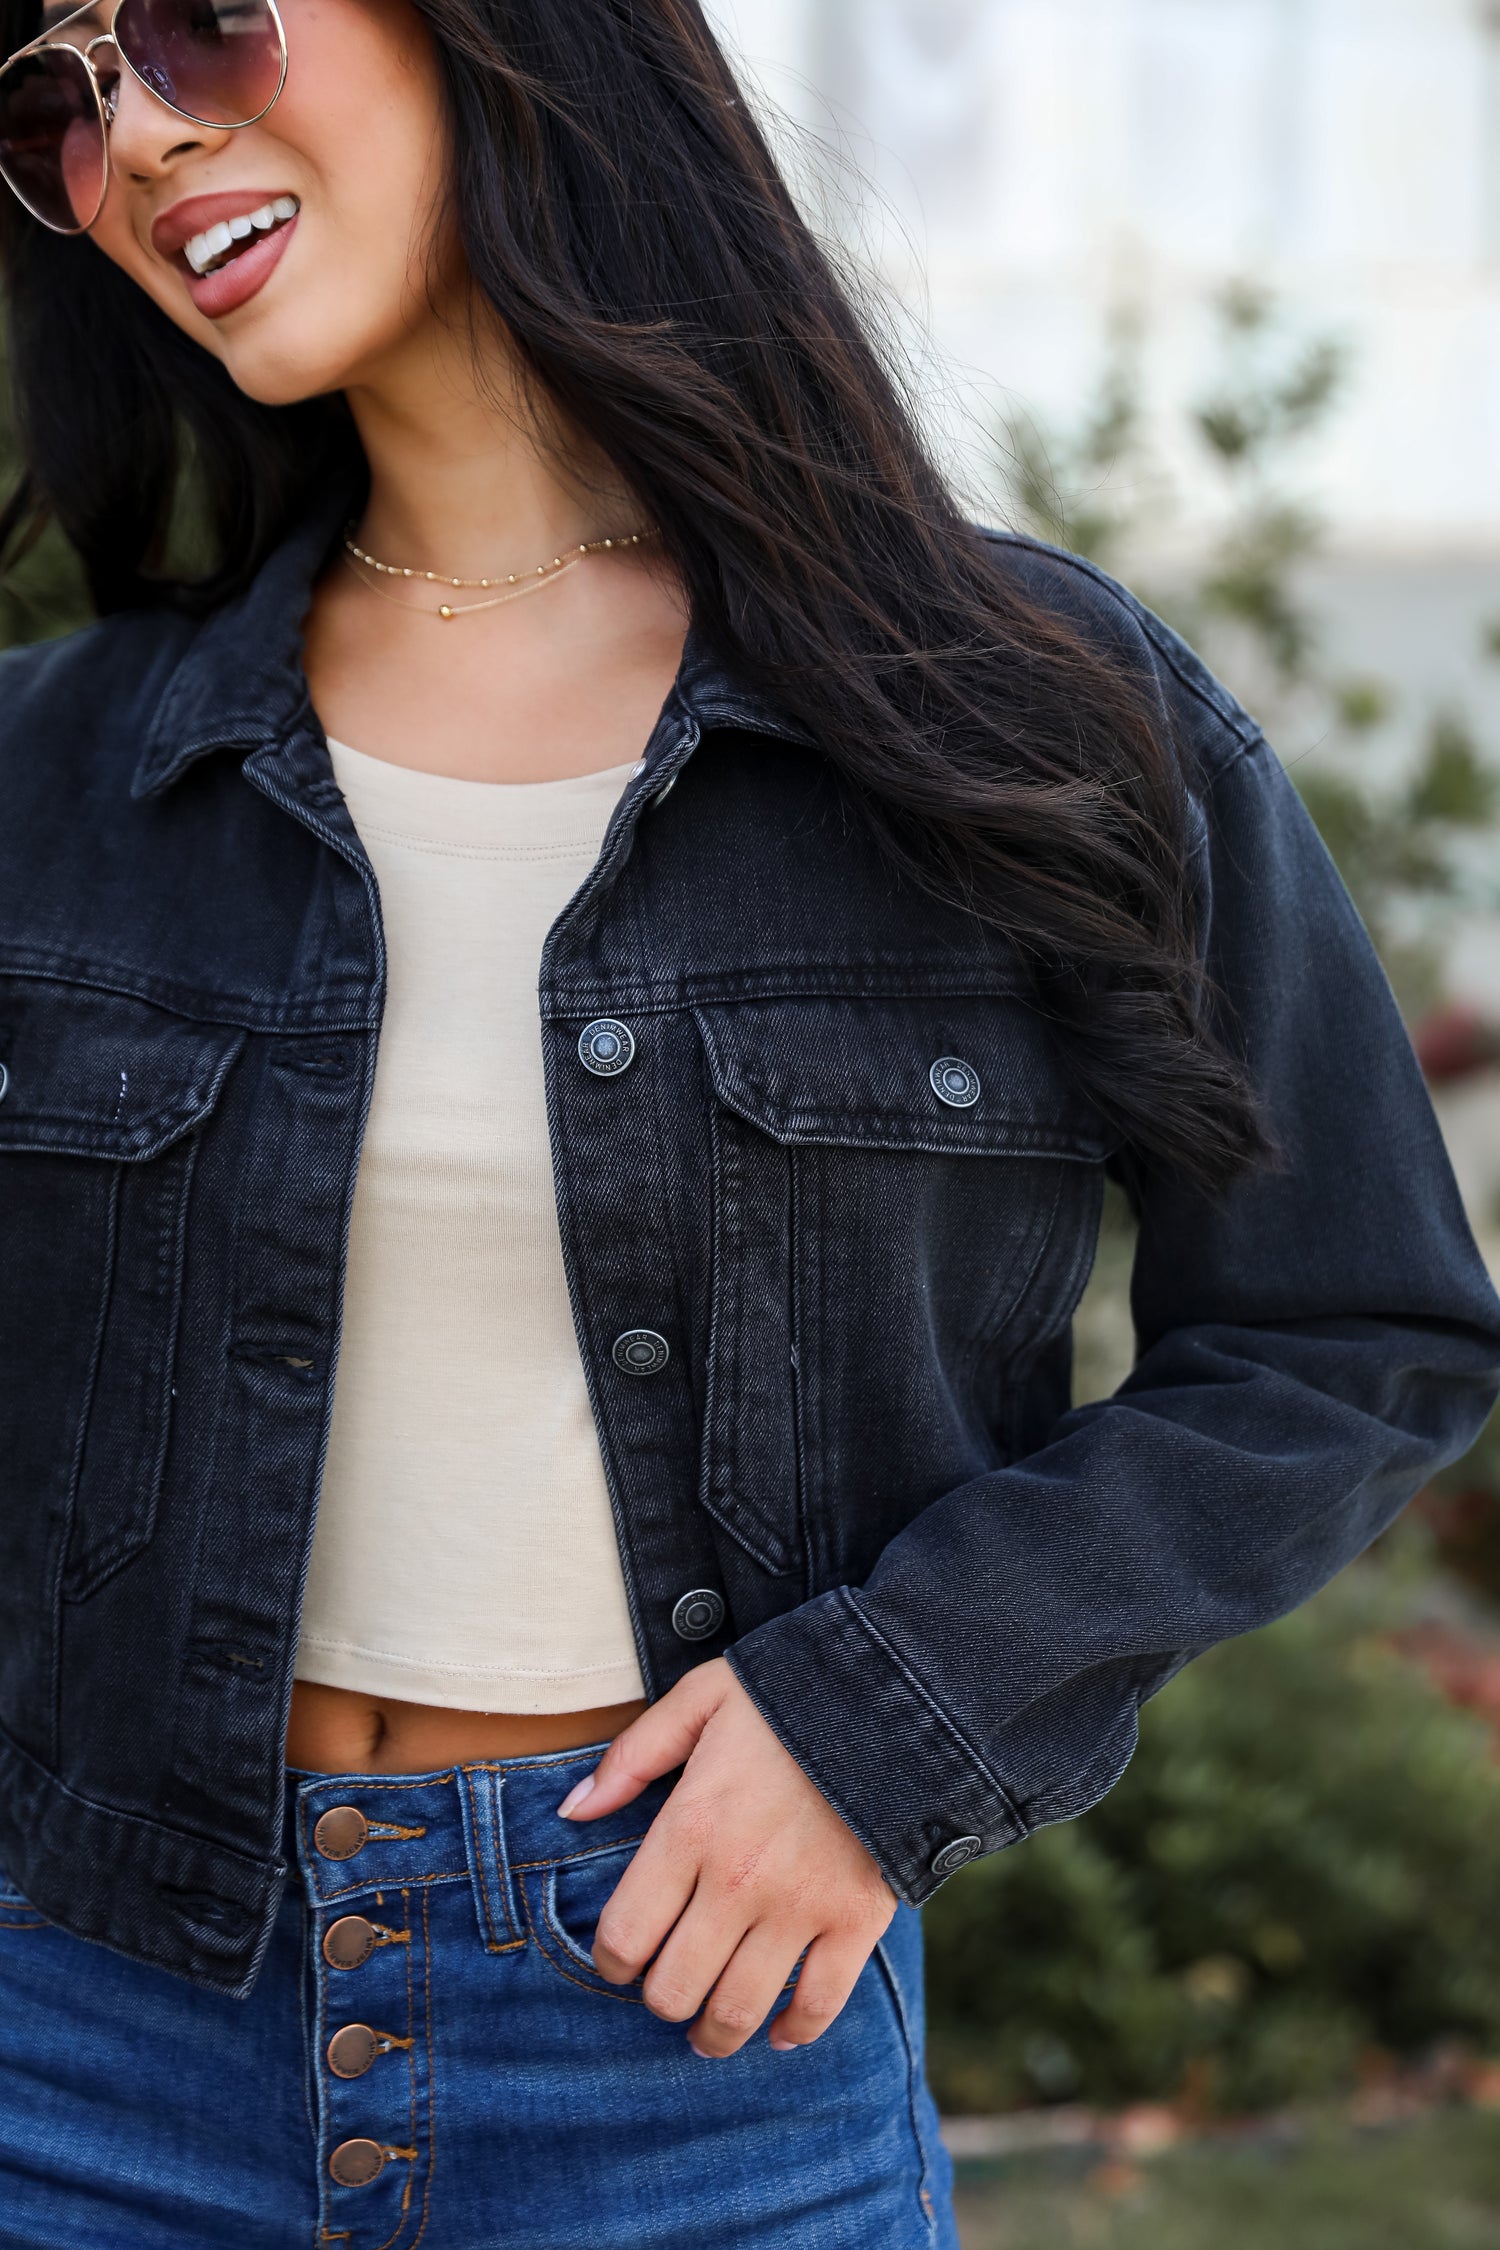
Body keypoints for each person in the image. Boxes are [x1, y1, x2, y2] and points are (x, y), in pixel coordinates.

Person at [0, 0, 1495, 2240]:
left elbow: (1350, 1328)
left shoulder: (1013, 717)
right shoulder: (57, 775)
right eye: (50, 98)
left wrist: (886, 1721)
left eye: (202, 21)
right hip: (79, 2047)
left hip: (693, 2056)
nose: (134, 131)